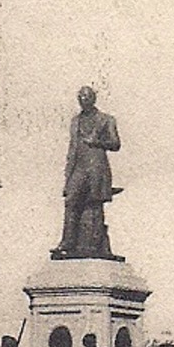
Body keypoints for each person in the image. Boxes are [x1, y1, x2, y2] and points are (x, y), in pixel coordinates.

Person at [55, 86, 123, 260]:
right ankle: (67, 242)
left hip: (96, 167)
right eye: (80, 97)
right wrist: (67, 177)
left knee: (93, 204)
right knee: (71, 200)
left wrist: (97, 141)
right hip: (79, 166)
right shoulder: (75, 121)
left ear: (93, 98)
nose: (83, 99)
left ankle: (93, 243)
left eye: (86, 96)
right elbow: (72, 149)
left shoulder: (106, 119)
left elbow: (115, 144)